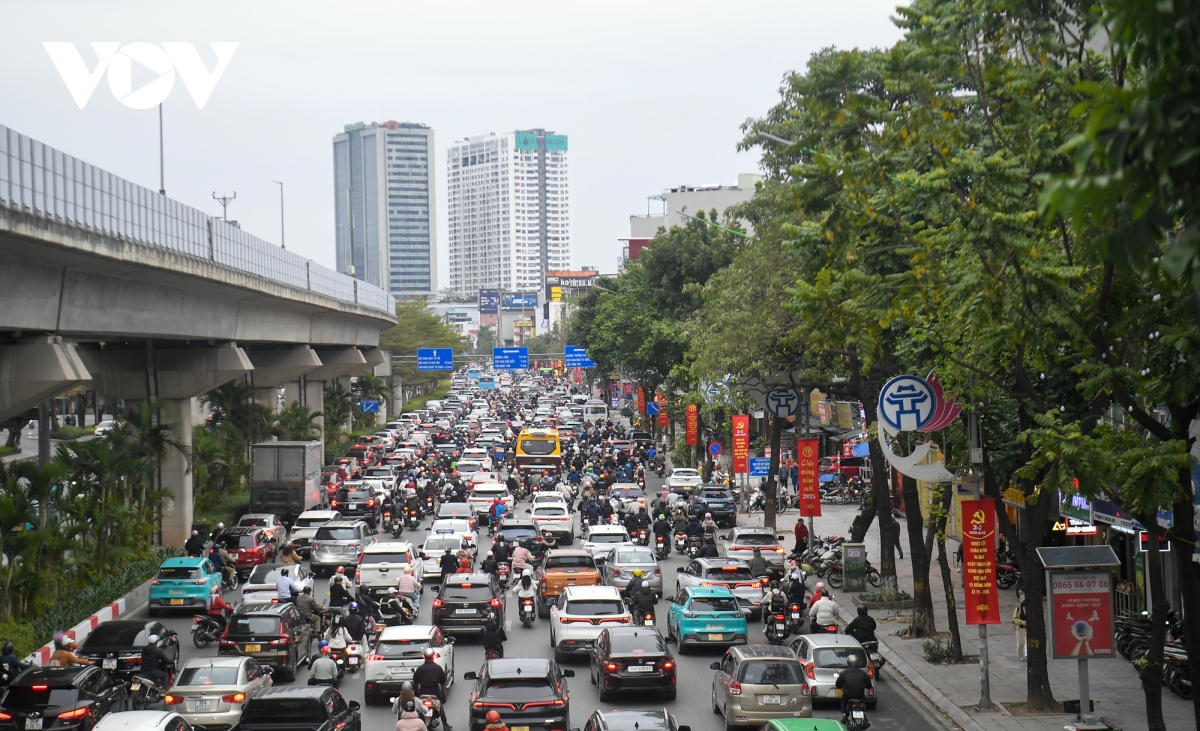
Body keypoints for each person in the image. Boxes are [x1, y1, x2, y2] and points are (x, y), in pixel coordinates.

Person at [413, 647, 451, 731]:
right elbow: (443, 681)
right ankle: (445, 724)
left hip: (423, 692)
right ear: (433, 656)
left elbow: (415, 680)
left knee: (417, 707)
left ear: (424, 656)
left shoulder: (420, 668)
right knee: (440, 707)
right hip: (435, 692)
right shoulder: (438, 668)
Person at [834, 654, 873, 723]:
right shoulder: (863, 673)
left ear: (848, 663)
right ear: (858, 662)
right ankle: (865, 715)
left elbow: (838, 685)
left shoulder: (844, 673)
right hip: (860, 696)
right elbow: (869, 685)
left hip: (847, 696)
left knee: (843, 702)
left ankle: (844, 715)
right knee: (863, 703)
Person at [1013, 592, 1027, 661]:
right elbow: (1014, 619)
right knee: (1020, 642)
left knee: (1027, 641)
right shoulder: (1018, 609)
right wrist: (1022, 622)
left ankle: (1026, 654)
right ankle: (1020, 655)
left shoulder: (1029, 609)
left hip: (1027, 628)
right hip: (1020, 628)